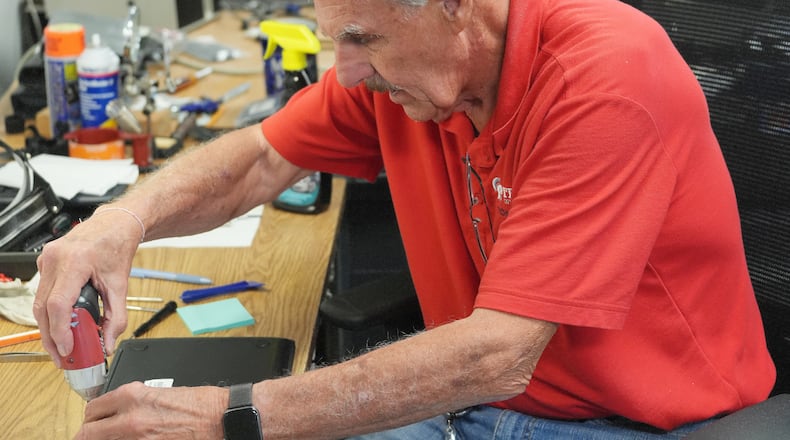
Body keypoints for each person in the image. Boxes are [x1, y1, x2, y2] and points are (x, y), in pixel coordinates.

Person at [33, 0, 776, 438]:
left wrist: (223, 416)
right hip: (478, 406)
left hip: (634, 424)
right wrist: (120, 221)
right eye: (336, 40)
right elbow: (259, 159)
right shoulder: (404, 78)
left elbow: (498, 354)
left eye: (363, 38)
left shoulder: (605, 78)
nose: (347, 70)